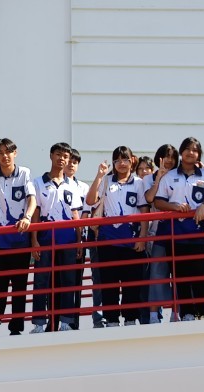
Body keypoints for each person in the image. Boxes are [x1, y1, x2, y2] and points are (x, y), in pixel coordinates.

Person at [152, 137, 204, 322]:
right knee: (180, 275)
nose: (191, 153)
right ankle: (187, 312)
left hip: (198, 233)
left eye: (195, 150)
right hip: (175, 234)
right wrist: (174, 207)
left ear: (199, 154)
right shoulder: (169, 176)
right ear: (181, 152)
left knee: (201, 274)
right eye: (188, 149)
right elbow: (158, 202)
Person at [0, 137, 36, 337]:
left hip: (19, 242)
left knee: (19, 289)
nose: (5, 156)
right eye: (0, 153)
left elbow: (32, 199)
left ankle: (16, 329)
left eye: (8, 151)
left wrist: (27, 217)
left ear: (15, 153)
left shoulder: (25, 173)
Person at [85, 145, 148, 326]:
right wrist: (99, 176)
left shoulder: (139, 183)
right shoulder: (106, 180)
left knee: (132, 283)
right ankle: (111, 319)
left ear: (132, 161)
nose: (121, 163)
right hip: (108, 240)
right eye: (117, 160)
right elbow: (90, 200)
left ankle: (130, 319)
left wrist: (142, 238)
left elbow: (144, 211)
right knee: (109, 282)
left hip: (132, 241)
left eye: (125, 159)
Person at [30, 142, 84, 333]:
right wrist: (34, 239)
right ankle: (39, 323)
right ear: (51, 156)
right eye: (58, 154)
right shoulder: (38, 182)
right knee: (41, 280)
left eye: (65, 156)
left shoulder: (72, 185)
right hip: (45, 238)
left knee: (68, 280)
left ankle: (66, 322)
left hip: (68, 238)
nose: (62, 159)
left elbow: (75, 214)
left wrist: (79, 240)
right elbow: (35, 212)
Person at [142, 143, 179, 323]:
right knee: (156, 273)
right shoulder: (148, 178)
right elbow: (150, 198)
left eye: (172, 157)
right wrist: (159, 178)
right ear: (158, 158)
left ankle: (176, 312)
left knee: (178, 274)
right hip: (156, 233)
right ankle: (153, 315)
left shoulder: (180, 175)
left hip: (179, 231)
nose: (169, 160)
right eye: (166, 156)